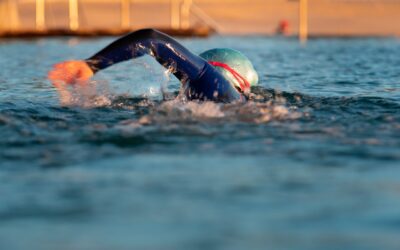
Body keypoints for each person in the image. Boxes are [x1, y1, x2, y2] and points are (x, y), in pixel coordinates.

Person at [48, 28, 258, 103]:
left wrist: (91, 66)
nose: (183, 81)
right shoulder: (236, 100)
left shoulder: (213, 83)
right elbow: (161, 53)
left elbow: (152, 40)